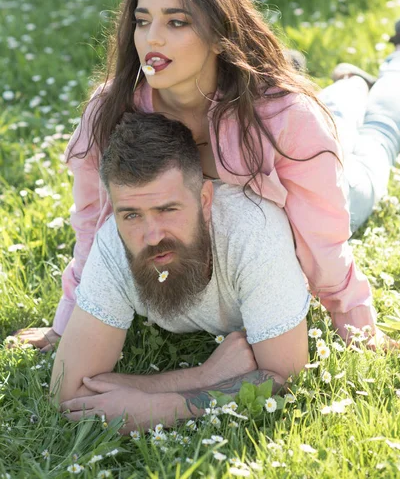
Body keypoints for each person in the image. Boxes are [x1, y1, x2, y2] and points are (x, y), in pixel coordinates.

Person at [15, 0, 400, 351]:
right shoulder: (110, 112)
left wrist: (353, 322)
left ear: (218, 37)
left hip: (306, 185)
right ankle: (348, 86)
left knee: (375, 143)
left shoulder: (285, 117)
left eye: (176, 23)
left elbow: (323, 237)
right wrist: (66, 323)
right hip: (291, 134)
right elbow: (95, 222)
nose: (152, 39)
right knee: (329, 113)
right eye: (143, 22)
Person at [51, 112, 310, 432]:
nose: (153, 235)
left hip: (305, 198)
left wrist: (165, 408)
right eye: (132, 215)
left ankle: (361, 84)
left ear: (204, 199)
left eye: (167, 210)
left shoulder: (254, 233)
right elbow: (69, 391)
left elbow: (285, 376)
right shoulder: (114, 247)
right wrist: (202, 377)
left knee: (370, 151)